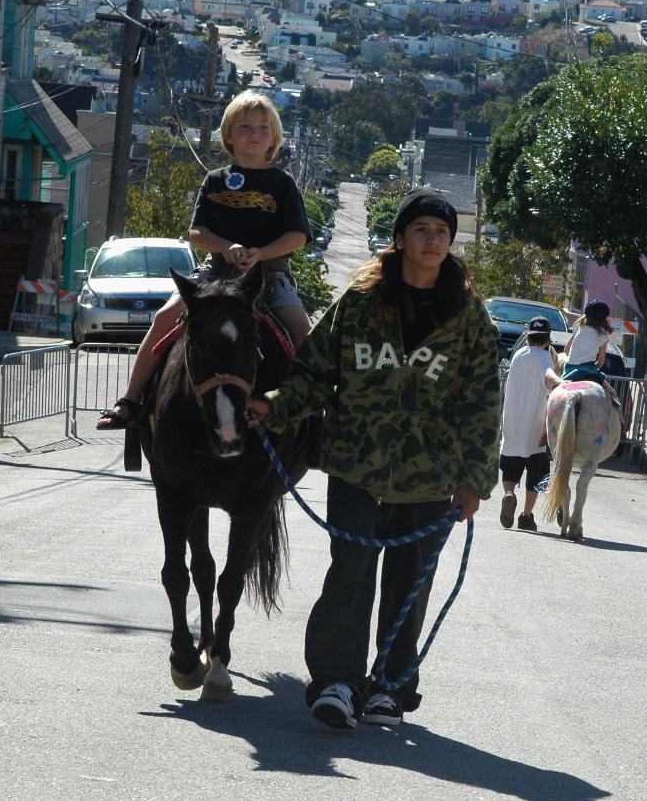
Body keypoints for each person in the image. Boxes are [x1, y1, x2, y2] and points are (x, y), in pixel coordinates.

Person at [247, 187, 500, 730]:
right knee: (351, 574)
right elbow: (314, 372)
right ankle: (337, 682)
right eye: (422, 230)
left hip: (432, 479)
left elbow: (482, 404)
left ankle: (388, 686)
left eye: (441, 232)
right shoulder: (360, 303)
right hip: (357, 469)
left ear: (450, 242)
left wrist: (475, 480)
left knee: (410, 584)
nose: (433, 240)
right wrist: (274, 407)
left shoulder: (469, 317)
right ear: (401, 239)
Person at [97, 90, 312, 430]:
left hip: (270, 276)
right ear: (228, 135)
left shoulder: (282, 184)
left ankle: (313, 414)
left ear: (274, 137)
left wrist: (260, 254)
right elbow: (196, 233)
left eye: (262, 127)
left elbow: (297, 236)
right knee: (165, 318)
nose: (254, 134)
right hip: (215, 274)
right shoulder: (215, 180)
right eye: (244, 127)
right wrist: (227, 246)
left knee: (302, 332)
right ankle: (131, 398)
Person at [499, 317, 557, 532]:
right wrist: (560, 384)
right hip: (535, 423)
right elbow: (548, 376)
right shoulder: (545, 358)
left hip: (513, 421)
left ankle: (509, 494)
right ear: (547, 339)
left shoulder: (517, 356)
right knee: (537, 471)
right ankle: (525, 515)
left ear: (528, 336)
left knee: (511, 464)